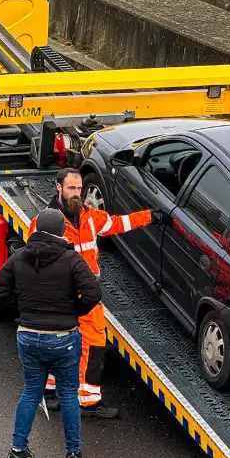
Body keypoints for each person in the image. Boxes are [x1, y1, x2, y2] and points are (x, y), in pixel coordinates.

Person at [0, 208, 102, 458]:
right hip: (63, 337)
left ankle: (18, 452)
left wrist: (23, 311)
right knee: (67, 394)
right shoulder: (72, 260)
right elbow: (93, 292)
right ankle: (74, 456)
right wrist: (73, 312)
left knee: (31, 392)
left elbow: (0, 291)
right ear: (61, 232)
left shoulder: (19, 257)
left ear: (36, 230)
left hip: (29, 336)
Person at [43, 167, 155, 419]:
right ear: (58, 188)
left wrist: (150, 217)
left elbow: (119, 223)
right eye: (71, 188)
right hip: (63, 294)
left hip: (88, 295)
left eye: (79, 189)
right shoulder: (47, 224)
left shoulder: (90, 217)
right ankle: (50, 391)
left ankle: (87, 400)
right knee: (58, 342)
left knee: (93, 343)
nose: (76, 194)